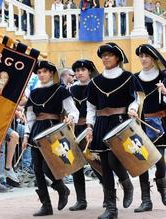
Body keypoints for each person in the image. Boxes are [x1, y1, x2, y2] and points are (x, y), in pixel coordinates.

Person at [86, 42, 138, 219]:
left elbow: (135, 99)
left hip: (120, 122)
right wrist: (89, 126)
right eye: (103, 55)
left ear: (117, 58)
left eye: (109, 54)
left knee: (115, 160)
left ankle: (126, 183)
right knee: (106, 166)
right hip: (101, 123)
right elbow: (91, 107)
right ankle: (111, 209)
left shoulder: (128, 77)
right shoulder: (95, 82)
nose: (105, 58)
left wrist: (133, 108)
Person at [22, 60, 79, 216]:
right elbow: (30, 117)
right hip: (36, 132)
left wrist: (71, 118)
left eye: (44, 72)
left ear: (51, 73)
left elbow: (73, 110)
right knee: (37, 169)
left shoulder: (60, 90)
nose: (41, 75)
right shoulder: (34, 93)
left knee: (49, 167)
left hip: (53, 129)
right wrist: (26, 135)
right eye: (39, 72)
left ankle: (61, 189)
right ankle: (46, 205)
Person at [134, 44, 166, 212]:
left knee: (159, 162)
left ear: (154, 58)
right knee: (142, 162)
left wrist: (165, 92)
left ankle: (162, 189)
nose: (143, 59)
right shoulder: (135, 78)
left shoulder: (164, 78)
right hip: (140, 125)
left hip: (159, 125)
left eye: (147, 56)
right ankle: (146, 200)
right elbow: (131, 100)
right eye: (141, 56)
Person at [68, 59, 99, 211]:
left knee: (97, 164)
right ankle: (81, 200)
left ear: (89, 71)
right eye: (77, 70)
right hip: (76, 130)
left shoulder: (96, 86)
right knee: (76, 166)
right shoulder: (71, 89)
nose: (79, 73)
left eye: (83, 70)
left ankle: (109, 197)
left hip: (92, 128)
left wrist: (92, 127)